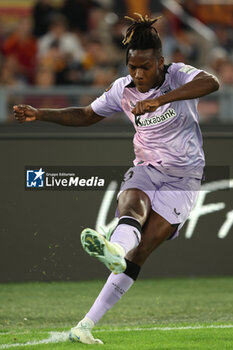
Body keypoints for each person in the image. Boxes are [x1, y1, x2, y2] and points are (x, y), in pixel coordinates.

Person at [13, 13, 219, 345]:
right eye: (133, 67)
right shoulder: (121, 90)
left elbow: (212, 82)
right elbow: (85, 115)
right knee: (132, 203)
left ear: (160, 62)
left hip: (185, 177)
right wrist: (42, 113)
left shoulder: (179, 75)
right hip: (148, 167)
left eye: (146, 67)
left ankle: (92, 311)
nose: (138, 74)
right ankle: (111, 257)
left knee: (142, 251)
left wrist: (160, 99)